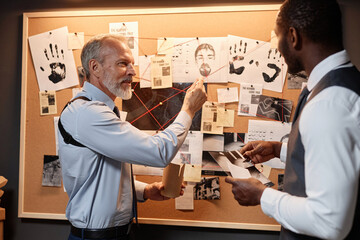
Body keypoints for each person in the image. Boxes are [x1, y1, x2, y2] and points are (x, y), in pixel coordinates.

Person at [225, 0, 360, 239]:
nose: (277, 47)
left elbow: (329, 220)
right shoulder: (340, 85)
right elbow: (343, 157)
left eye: (276, 37)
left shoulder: (328, 103)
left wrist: (261, 196)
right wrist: (280, 150)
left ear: (293, 36)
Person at [58, 34, 207, 240]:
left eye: (132, 64)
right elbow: (158, 152)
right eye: (123, 64)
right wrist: (189, 109)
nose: (132, 72)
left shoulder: (102, 110)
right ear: (95, 68)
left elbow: (102, 174)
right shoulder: (87, 113)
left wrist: (144, 191)